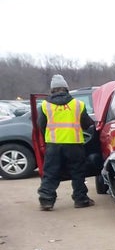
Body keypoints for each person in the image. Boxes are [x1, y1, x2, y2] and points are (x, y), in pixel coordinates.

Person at [37, 74, 96, 211]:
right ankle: (81, 199)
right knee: (77, 172)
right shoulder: (78, 104)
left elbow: (41, 125)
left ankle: (46, 201)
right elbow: (87, 124)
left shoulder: (45, 106)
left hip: (53, 145)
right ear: (66, 89)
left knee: (50, 173)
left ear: (52, 90)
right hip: (74, 144)